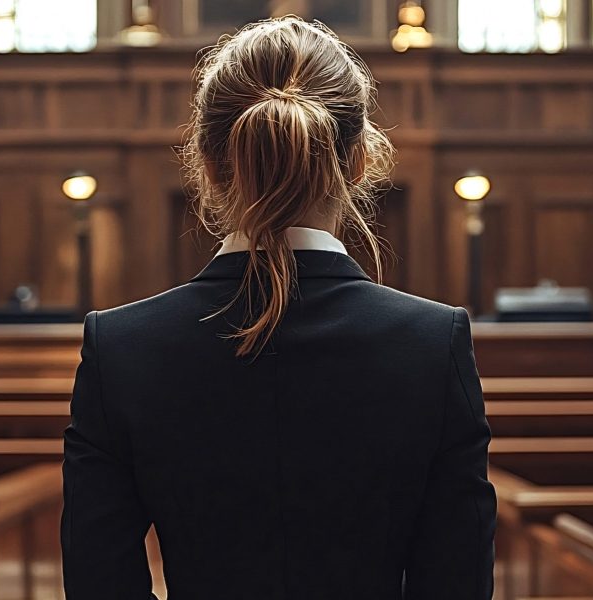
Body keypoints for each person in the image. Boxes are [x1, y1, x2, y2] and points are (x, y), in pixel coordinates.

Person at [61, 17, 496, 600]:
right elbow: (456, 585)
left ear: (210, 167)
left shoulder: (120, 347)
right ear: (360, 162)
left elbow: (99, 585)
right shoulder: (434, 342)